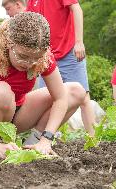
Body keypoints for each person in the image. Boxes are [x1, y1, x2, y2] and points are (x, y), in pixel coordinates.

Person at [0, 12, 86, 159]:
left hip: (17, 113)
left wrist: (46, 139)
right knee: (1, 93)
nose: (29, 64)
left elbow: (61, 98)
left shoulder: (42, 56)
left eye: (36, 58)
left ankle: (34, 144)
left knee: (76, 91)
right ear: (9, 43)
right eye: (23, 56)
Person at [26, 0, 96, 136]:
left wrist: (79, 42)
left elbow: (77, 9)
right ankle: (42, 140)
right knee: (46, 101)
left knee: (83, 97)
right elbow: (31, 24)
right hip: (45, 56)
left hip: (69, 51)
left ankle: (94, 140)